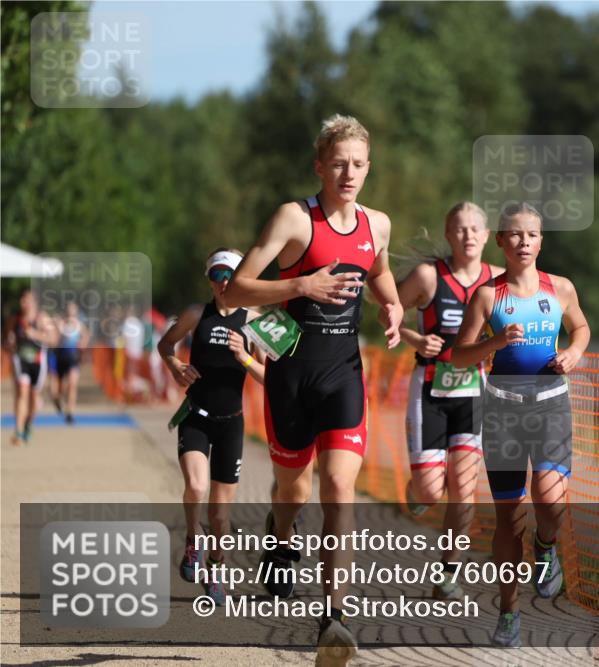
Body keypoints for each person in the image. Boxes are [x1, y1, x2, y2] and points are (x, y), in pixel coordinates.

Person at [224, 114, 403, 661]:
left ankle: (334, 617)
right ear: (319, 166)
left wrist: (393, 306)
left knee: (339, 490)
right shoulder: (295, 219)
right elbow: (233, 291)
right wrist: (300, 283)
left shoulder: (379, 224)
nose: (349, 173)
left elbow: (379, 273)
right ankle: (279, 543)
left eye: (358, 164)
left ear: (369, 168)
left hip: (343, 374)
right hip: (291, 375)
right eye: (339, 163)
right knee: (293, 491)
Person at [452, 202, 591, 648]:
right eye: (514, 235)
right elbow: (459, 355)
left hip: (551, 407)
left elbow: (581, 328)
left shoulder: (561, 288)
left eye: (531, 235)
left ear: (541, 241)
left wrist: (573, 352)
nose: (523, 242)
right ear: (500, 241)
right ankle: (509, 612)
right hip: (503, 413)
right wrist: (494, 341)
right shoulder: (488, 296)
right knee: (509, 521)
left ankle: (547, 547)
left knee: (550, 501)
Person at [389, 201, 501, 600]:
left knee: (464, 488)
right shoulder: (427, 277)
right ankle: (417, 490)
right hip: (431, 388)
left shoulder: (500, 280)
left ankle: (448, 572)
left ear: (487, 236)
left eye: (475, 229)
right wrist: (415, 338)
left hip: (474, 392)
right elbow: (390, 313)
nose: (468, 235)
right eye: (460, 229)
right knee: (432, 491)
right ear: (449, 235)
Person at [157, 248, 266, 604]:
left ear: (239, 281)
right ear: (209, 280)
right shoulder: (195, 314)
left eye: (229, 277)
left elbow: (269, 377)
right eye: (216, 276)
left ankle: (216, 566)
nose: (222, 284)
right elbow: (165, 344)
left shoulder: (253, 320)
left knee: (220, 515)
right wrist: (175, 367)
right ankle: (192, 541)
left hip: (231, 424)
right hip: (196, 416)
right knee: (196, 486)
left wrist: (245, 356)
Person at [4, 289, 57, 446]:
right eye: (22, 299)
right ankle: (18, 431)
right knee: (22, 392)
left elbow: (53, 339)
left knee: (34, 397)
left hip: (38, 362)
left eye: (26, 299)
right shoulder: (14, 319)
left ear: (34, 302)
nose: (23, 303)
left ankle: (28, 425)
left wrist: (35, 334)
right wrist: (10, 341)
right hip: (21, 361)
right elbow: (7, 340)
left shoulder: (42, 318)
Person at [52, 301, 89, 424]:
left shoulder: (80, 326)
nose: (70, 314)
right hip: (61, 358)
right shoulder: (60, 325)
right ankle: (57, 400)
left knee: (72, 385)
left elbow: (85, 337)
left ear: (76, 313)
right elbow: (54, 339)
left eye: (73, 311)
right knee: (60, 389)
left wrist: (83, 345)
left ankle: (70, 413)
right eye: (68, 311)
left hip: (73, 358)